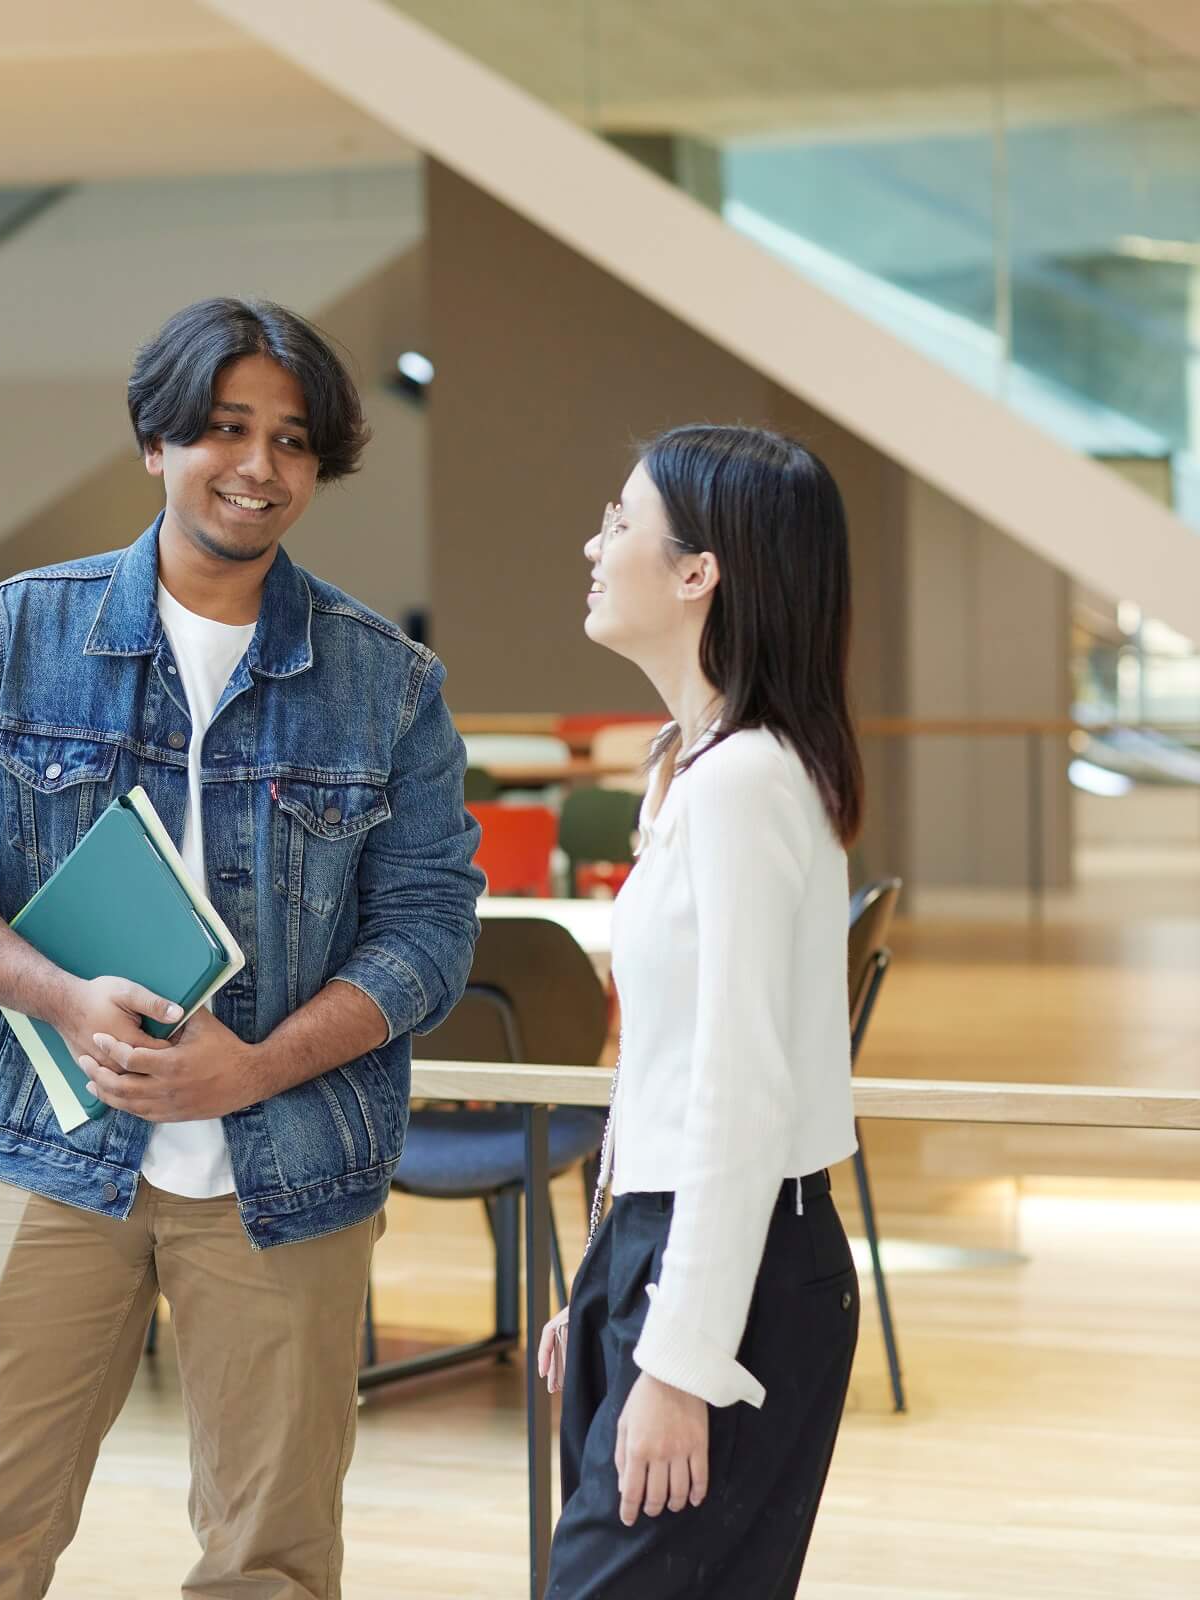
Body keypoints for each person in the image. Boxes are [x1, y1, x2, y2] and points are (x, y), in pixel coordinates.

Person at [0, 297, 483, 1598]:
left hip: (293, 1172)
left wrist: (253, 1069)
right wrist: (60, 996)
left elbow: (430, 933)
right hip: (48, 1152)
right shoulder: (18, 632)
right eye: (226, 430)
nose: (259, 466)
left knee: (272, 1563)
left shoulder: (387, 680)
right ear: (157, 441)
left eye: (294, 441)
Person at [537, 424, 865, 1597]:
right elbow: (664, 1070)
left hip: (740, 1267)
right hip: (677, 1250)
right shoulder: (689, 765)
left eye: (620, 518)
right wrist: (601, 1286)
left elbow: (739, 1091)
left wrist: (680, 1357)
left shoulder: (744, 783)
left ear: (698, 571)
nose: (595, 540)